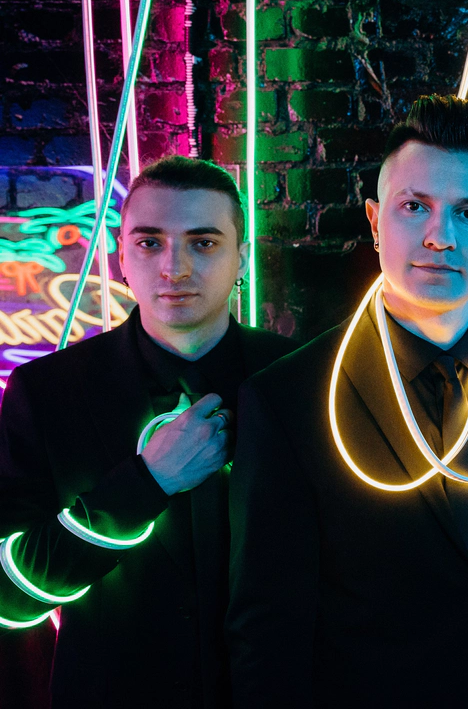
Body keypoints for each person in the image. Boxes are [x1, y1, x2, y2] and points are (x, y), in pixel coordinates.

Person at [226, 95, 468, 707]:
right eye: (415, 207)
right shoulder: (288, 400)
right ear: (376, 223)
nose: (441, 237)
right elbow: (268, 634)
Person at [0, 155, 297, 708]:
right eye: (149, 242)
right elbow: (9, 596)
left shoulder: (301, 379)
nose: (174, 268)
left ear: (242, 257)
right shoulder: (46, 392)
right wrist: (146, 483)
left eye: (203, 243)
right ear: (121, 255)